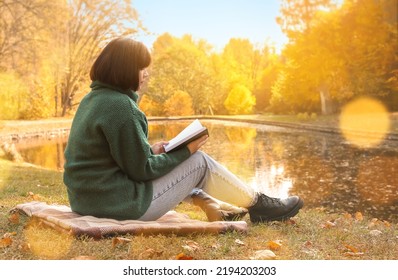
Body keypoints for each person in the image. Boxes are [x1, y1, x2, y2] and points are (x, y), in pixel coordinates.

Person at [63, 37, 304, 223]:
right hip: (119, 206)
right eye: (140, 67)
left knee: (181, 163)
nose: (145, 74)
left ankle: (221, 206)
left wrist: (153, 149)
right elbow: (141, 170)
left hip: (87, 201)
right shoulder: (120, 107)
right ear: (125, 69)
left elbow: (112, 156)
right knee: (198, 162)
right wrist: (185, 151)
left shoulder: (93, 100)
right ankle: (260, 205)